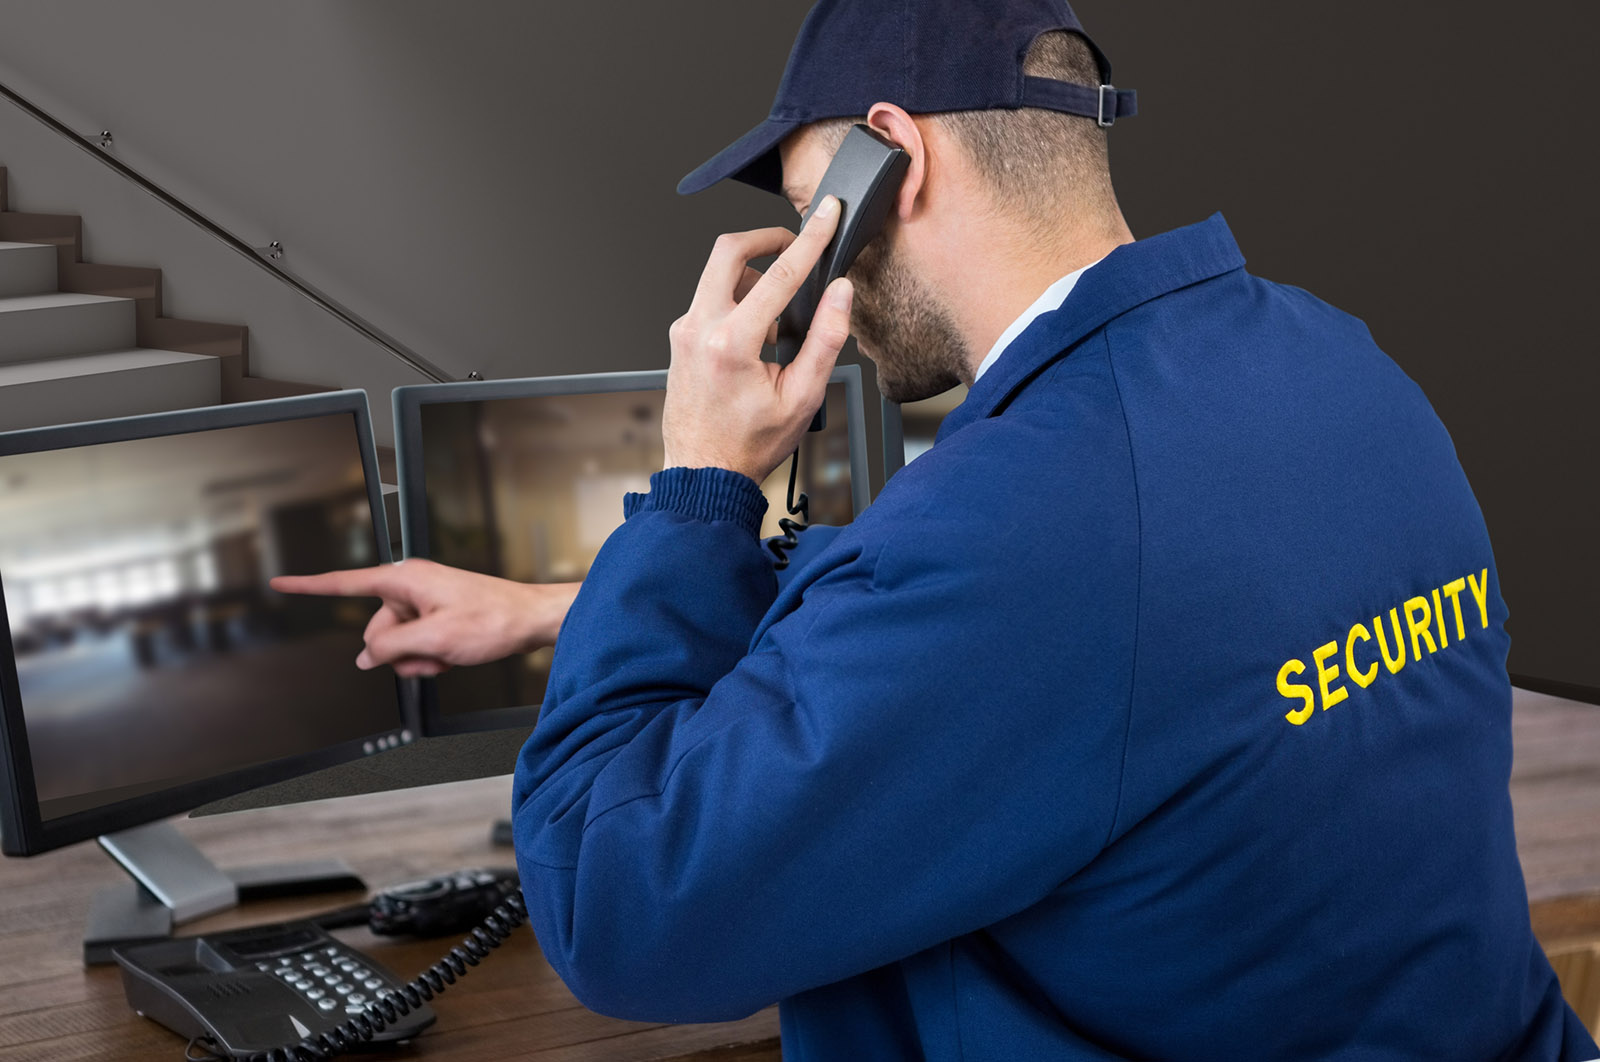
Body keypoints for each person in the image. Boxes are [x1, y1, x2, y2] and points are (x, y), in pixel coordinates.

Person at [274, 1, 1599, 1058]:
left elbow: (616, 906)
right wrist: (567, 608)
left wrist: (697, 485)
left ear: (893, 159)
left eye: (812, 214)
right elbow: (1150, 647)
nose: (813, 260)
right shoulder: (1335, 360)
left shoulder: (1021, 520)